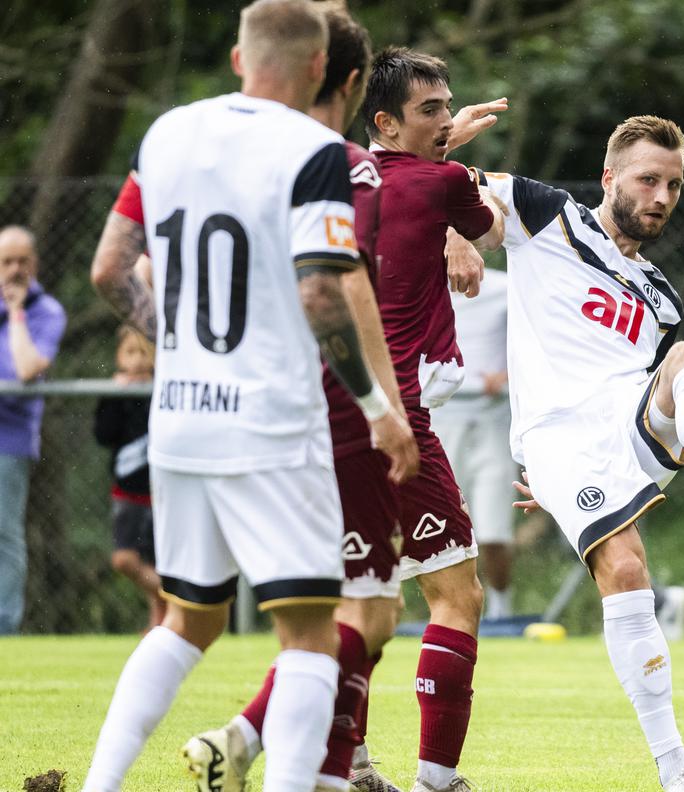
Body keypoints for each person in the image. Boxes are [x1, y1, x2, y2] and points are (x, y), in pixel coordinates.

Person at [81, 2, 416, 790]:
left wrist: (176, 340)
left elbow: (108, 269)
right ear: (319, 68)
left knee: (186, 621)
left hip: (180, 422)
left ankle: (99, 784)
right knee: (309, 636)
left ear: (239, 58)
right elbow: (322, 294)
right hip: (270, 427)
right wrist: (378, 411)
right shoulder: (312, 150)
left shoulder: (167, 133)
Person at [483, 115, 684, 792]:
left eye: (674, 185)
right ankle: (676, 768)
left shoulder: (660, 294)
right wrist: (459, 236)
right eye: (647, 180)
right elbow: (450, 189)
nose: (661, 196)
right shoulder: (548, 216)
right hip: (558, 434)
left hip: (625, 420)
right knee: (627, 566)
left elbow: (651, 380)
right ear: (609, 177)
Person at [360, 47, 506, 792]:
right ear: (386, 121)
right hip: (400, 419)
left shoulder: (344, 178)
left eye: (449, 106)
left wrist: (446, 152)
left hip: (335, 412)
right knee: (456, 596)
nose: (446, 118)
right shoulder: (446, 180)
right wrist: (463, 192)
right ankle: (437, 781)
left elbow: (406, 192)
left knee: (359, 597)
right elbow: (490, 225)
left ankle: (345, 766)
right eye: (430, 110)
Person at [431, 266, 517, 621]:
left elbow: (542, 337)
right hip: (441, 418)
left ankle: (500, 610)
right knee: (444, 528)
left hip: (493, 419)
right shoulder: (425, 287)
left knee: (493, 531)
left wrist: (509, 374)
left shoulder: (506, 287)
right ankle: (450, 607)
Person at [0, 224, 65, 635]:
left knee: (4, 535)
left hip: (8, 441)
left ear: (35, 264)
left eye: (22, 261)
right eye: (6, 262)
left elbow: (26, 368)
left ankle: (4, 627)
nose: (15, 270)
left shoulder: (47, 312)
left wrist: (16, 313)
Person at [93, 326, 163, 633]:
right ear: (118, 357)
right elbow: (104, 435)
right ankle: (179, 599)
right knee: (124, 559)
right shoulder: (117, 394)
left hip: (160, 493)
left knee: (158, 562)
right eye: (130, 352)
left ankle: (158, 627)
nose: (137, 360)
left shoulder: (162, 390)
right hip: (127, 494)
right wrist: (114, 397)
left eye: (143, 352)